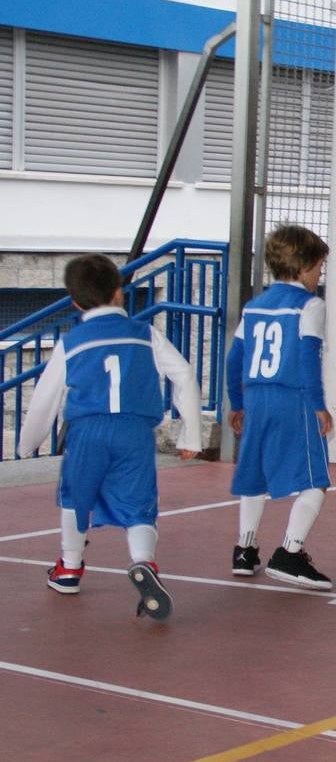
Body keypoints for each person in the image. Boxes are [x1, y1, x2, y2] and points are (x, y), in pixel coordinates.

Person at [18, 253, 202, 621]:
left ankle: (69, 569)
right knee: (139, 506)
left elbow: (44, 400)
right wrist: (191, 435)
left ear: (74, 300)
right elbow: (182, 373)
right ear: (119, 293)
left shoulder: (72, 343)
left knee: (76, 497)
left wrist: (28, 444)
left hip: (87, 431)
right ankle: (144, 563)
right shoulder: (146, 334)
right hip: (135, 431)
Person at [226, 224, 334, 590]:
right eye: (319, 267)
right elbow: (307, 359)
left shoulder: (254, 306)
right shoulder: (310, 305)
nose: (320, 275)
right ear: (303, 268)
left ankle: (245, 548)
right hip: (293, 400)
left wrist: (237, 402)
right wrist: (319, 406)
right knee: (315, 480)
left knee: (254, 476)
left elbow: (233, 359)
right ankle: (290, 552)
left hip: (256, 399)